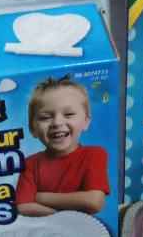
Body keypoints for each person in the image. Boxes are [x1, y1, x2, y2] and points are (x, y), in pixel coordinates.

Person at [16, 76, 110, 217]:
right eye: (45, 117)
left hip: (86, 228)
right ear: (32, 129)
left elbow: (94, 202)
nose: (57, 122)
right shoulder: (30, 164)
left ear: (86, 122)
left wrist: (40, 197)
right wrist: (62, 220)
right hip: (46, 229)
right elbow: (23, 207)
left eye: (69, 114)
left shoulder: (94, 154)